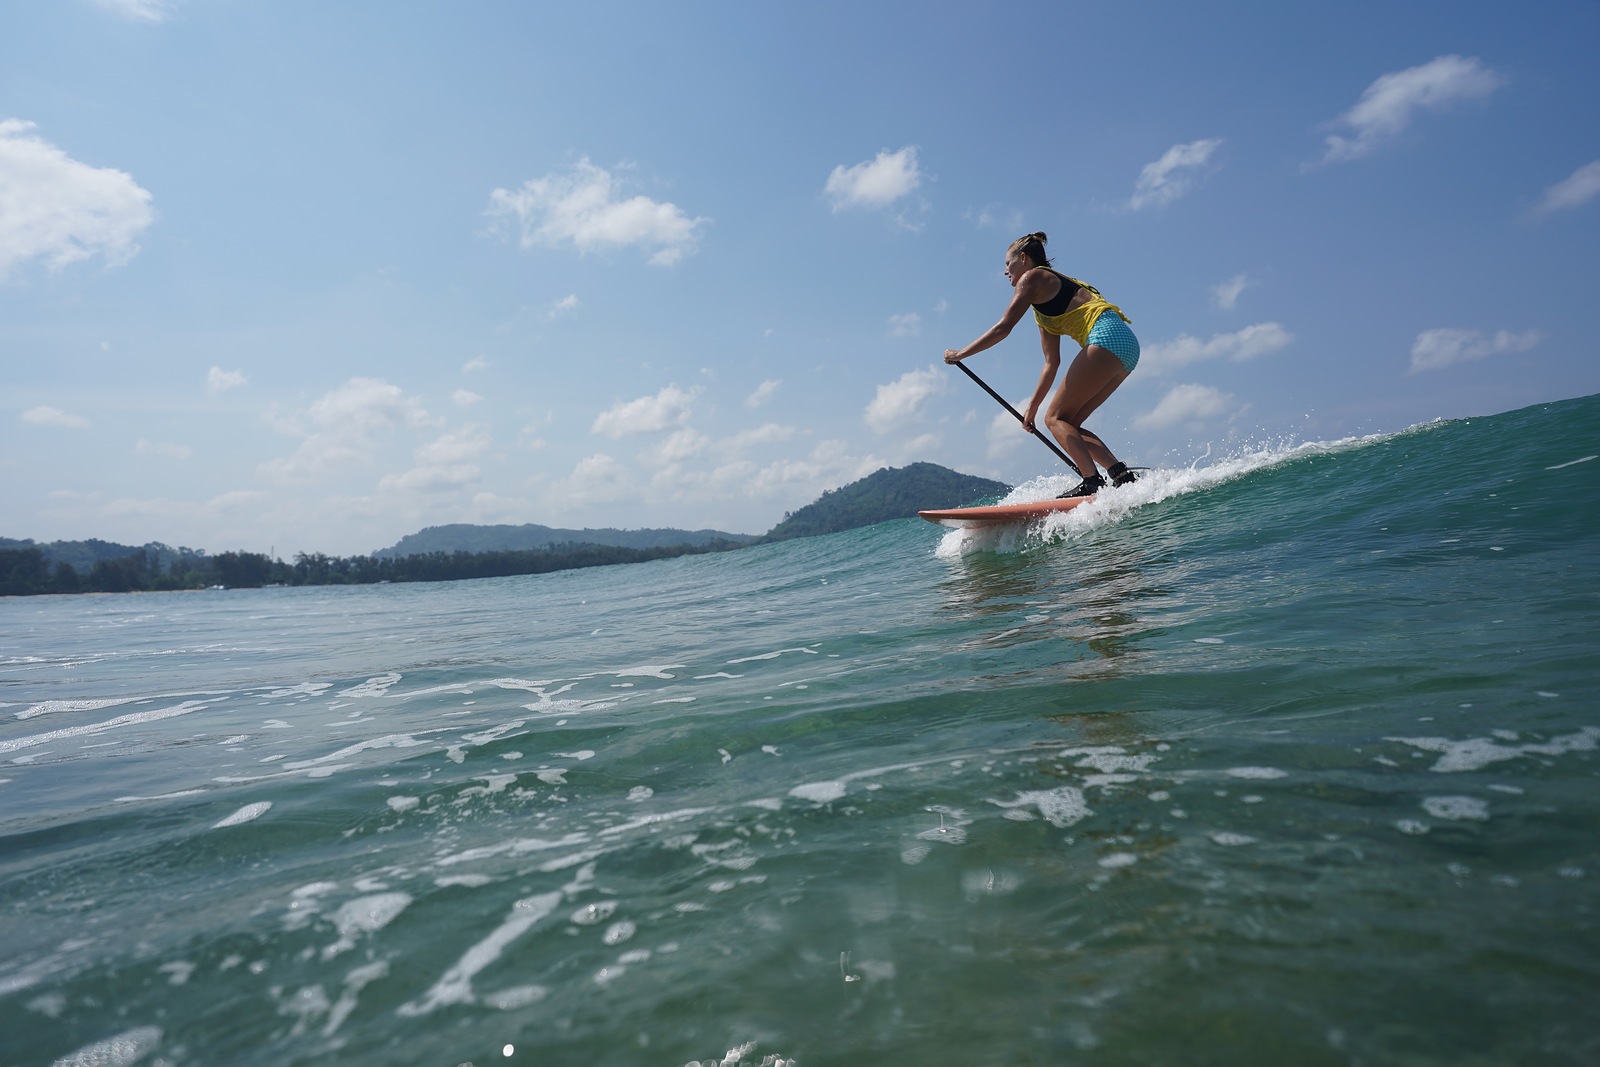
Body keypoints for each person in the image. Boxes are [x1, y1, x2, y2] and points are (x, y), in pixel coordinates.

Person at [943, 232, 1139, 497]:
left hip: (1106, 338)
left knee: (1055, 418)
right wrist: (1032, 408)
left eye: (1007, 264)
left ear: (1023, 259)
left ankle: (1091, 482)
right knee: (1068, 424)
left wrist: (960, 353)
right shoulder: (1044, 305)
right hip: (1125, 347)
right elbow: (1051, 362)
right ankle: (1121, 475)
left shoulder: (1033, 277)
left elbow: (1004, 327)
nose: (1005, 272)